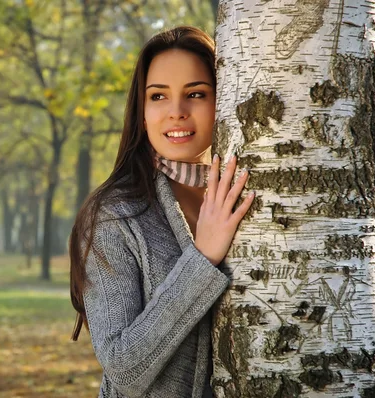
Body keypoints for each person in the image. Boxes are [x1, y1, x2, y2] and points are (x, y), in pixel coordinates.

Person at [69, 26, 255, 398]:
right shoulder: (113, 216)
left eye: (196, 94)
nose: (176, 112)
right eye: (158, 96)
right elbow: (123, 369)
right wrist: (202, 260)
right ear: (142, 113)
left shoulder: (256, 194)